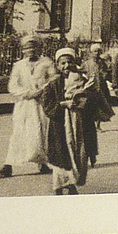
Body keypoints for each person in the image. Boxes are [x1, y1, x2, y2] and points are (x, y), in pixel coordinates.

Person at [0, 36, 55, 179]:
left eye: (34, 48)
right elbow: (13, 86)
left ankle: (42, 163)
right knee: (19, 133)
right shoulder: (19, 66)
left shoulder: (46, 63)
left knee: (40, 132)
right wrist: (28, 93)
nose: (31, 51)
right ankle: (8, 165)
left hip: (41, 103)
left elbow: (53, 80)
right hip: (24, 104)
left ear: (39, 48)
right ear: (23, 50)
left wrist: (42, 90)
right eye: (27, 48)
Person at [42, 48, 94, 195]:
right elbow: (47, 105)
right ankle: (60, 186)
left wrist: (82, 102)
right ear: (58, 66)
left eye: (69, 62)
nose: (66, 66)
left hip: (79, 124)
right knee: (61, 155)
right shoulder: (53, 84)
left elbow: (91, 99)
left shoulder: (82, 80)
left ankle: (72, 182)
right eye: (62, 63)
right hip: (60, 126)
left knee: (78, 153)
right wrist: (63, 105)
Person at [82, 43, 114, 163]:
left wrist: (105, 74)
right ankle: (94, 123)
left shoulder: (102, 62)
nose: (96, 53)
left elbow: (107, 71)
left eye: (98, 51)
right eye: (95, 51)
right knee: (92, 106)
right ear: (91, 52)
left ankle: (98, 125)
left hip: (101, 86)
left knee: (101, 104)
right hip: (91, 87)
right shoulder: (86, 63)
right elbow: (82, 72)